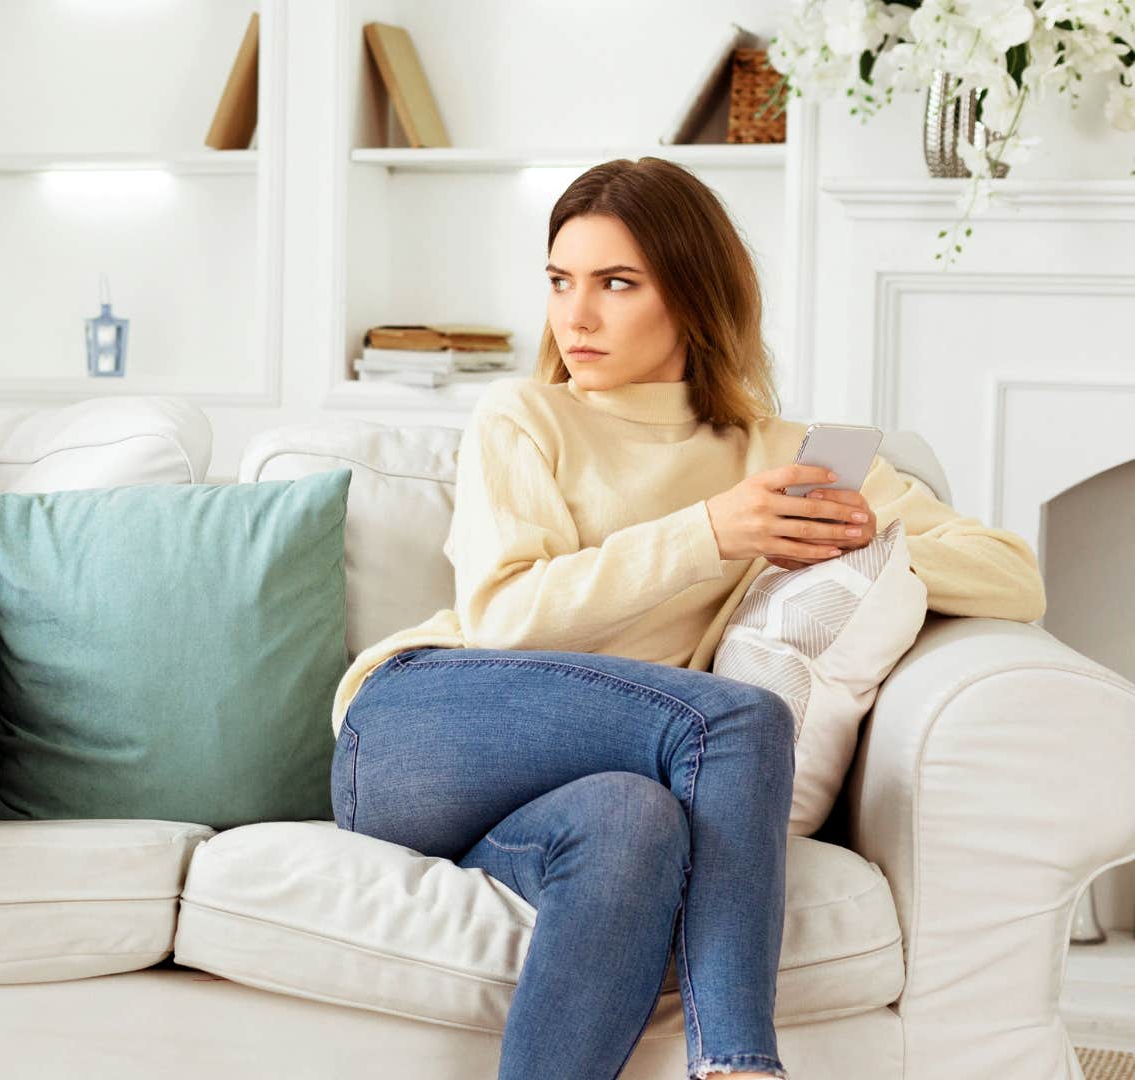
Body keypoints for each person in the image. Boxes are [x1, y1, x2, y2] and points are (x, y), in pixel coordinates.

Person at [329, 157, 1044, 1080]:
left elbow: (1014, 576)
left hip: (572, 786)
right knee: (740, 716)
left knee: (637, 825)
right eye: (560, 282)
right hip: (418, 725)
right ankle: (740, 1063)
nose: (575, 317)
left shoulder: (779, 457)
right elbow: (505, 616)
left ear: (693, 298)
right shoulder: (525, 415)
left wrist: (867, 531)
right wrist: (713, 531)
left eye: (615, 284)